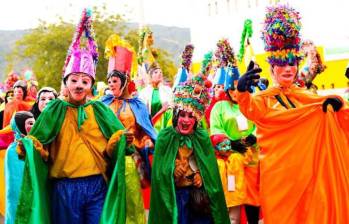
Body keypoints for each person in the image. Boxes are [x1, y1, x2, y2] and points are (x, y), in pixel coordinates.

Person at [236, 5, 349, 223]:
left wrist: (337, 105)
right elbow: (249, 109)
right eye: (282, 64)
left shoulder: (306, 95)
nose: (288, 69)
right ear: (272, 67)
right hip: (278, 180)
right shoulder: (263, 99)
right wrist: (241, 91)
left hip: (307, 178)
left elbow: (326, 112)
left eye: (292, 63)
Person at [14, 9, 129, 224]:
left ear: (91, 85)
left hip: (97, 184)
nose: (79, 85)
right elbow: (39, 142)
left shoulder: (100, 110)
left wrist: (121, 140)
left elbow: (116, 143)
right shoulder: (54, 109)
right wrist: (29, 146)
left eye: (85, 81)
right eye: (74, 80)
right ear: (66, 82)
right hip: (65, 187)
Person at [149, 75, 230, 224]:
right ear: (176, 116)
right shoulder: (165, 137)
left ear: (197, 119)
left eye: (191, 116)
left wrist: (201, 175)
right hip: (176, 198)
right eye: (182, 115)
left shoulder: (202, 137)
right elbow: (159, 173)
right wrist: (172, 170)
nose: (186, 120)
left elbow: (210, 170)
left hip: (197, 199)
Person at [101, 34, 157, 222]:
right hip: (105, 158)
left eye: (114, 81)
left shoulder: (137, 104)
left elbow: (145, 130)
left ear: (124, 80)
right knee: (108, 202)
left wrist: (146, 142)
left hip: (128, 158)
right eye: (109, 82)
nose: (110, 85)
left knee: (131, 200)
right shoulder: (103, 103)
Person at [5, 111, 35, 224]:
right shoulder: (14, 150)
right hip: (20, 197)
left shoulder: (34, 144)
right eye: (30, 123)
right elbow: (15, 183)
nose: (34, 126)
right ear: (20, 127)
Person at [139, 62, 173, 133]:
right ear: (150, 76)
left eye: (161, 72)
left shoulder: (168, 90)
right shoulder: (143, 93)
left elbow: (171, 109)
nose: (160, 73)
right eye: (156, 72)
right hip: (150, 129)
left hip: (166, 127)